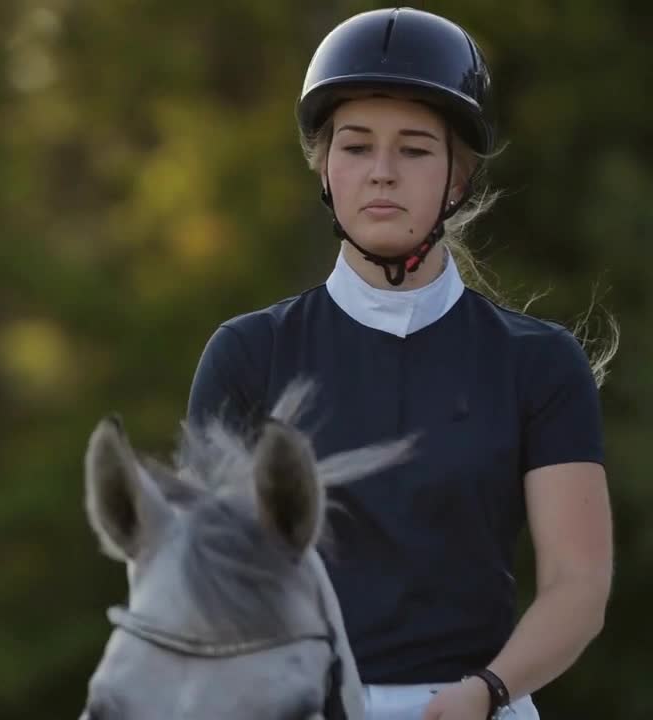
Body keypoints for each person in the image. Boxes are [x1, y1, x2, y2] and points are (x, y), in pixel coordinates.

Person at [186, 7, 615, 720]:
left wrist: (487, 692)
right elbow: (206, 579)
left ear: (458, 177)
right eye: (356, 148)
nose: (382, 174)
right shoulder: (247, 354)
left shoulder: (540, 363)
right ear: (324, 167)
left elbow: (579, 583)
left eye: (415, 150)